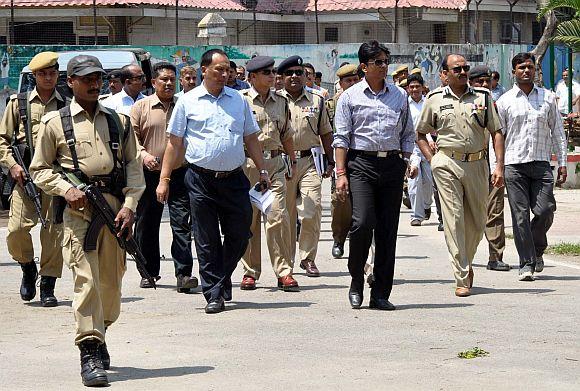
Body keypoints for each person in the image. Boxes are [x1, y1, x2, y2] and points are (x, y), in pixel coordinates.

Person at [30, 55, 145, 387]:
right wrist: (66, 190)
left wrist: (130, 205)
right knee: (87, 282)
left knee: (111, 284)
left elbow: (133, 168)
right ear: (72, 83)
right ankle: (89, 350)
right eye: (86, 79)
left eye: (98, 78)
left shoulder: (118, 122)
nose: (94, 84)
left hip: (114, 212)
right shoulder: (55, 123)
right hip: (79, 214)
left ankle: (102, 329)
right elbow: (40, 169)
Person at [156, 48, 269, 314]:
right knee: (206, 239)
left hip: (234, 179)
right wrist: (165, 179)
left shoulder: (238, 101)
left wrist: (263, 171)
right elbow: (174, 143)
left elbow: (251, 137)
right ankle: (214, 293)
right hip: (200, 179)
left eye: (227, 69)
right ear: (203, 70)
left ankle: (219, 276)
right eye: (218, 69)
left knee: (241, 233)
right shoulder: (188, 101)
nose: (224, 74)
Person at [334, 41, 415, 310]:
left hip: (391, 165)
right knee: (362, 222)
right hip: (361, 165)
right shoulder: (350, 97)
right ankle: (356, 278)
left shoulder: (399, 96)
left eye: (385, 61)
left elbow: (407, 133)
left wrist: (405, 161)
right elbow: (341, 138)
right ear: (364, 67)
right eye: (378, 62)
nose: (383, 66)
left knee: (387, 231)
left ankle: (380, 292)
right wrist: (341, 173)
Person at [416, 54, 505, 298]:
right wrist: (433, 160)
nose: (463, 72)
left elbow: (496, 131)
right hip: (446, 163)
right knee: (454, 219)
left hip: (477, 164)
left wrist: (499, 166)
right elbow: (420, 133)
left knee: (477, 221)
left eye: (465, 68)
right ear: (444, 74)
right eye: (457, 69)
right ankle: (462, 275)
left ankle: (467, 260)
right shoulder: (434, 99)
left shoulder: (483, 97)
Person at [0, 52, 65, 307]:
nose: (48, 78)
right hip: (24, 177)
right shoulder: (19, 103)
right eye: (42, 74)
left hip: (56, 177)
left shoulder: (66, 105)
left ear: (58, 75)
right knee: (16, 231)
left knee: (53, 234)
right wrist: (13, 166)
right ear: (34, 76)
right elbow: (2, 140)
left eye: (52, 73)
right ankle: (27, 266)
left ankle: (48, 285)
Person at [496, 52, 568, 281]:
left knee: (545, 210)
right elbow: (498, 137)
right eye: (521, 68)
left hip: (541, 165)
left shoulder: (548, 98)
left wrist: (563, 162)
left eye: (530, 67)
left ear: (536, 70)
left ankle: (537, 249)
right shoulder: (505, 101)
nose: (526, 71)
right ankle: (526, 263)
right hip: (514, 166)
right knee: (519, 217)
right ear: (514, 72)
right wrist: (496, 167)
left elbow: (557, 131)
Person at [130, 62, 197, 292]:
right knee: (147, 224)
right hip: (149, 175)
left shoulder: (185, 105)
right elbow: (132, 141)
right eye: (164, 80)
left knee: (181, 223)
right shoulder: (141, 107)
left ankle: (184, 274)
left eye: (172, 79)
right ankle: (148, 272)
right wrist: (144, 155)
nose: (169, 83)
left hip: (180, 173)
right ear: (153, 82)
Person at [238, 56, 298, 291]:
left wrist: (292, 161)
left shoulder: (281, 102)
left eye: (273, 72)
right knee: (249, 220)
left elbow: (286, 135)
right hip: (248, 166)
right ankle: (250, 272)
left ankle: (284, 272)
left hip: (274, 166)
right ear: (252, 77)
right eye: (266, 73)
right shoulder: (241, 101)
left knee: (277, 218)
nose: (273, 76)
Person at [278, 55, 334, 277]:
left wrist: (331, 161)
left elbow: (326, 133)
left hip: (309, 161)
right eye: (289, 73)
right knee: (285, 214)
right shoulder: (274, 100)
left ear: (305, 76)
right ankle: (286, 262)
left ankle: (308, 258)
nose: (294, 77)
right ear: (282, 77)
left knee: (311, 210)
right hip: (281, 164)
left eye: (298, 73)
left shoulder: (317, 100)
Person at [468, 65, 511, 272]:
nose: (485, 85)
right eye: (480, 82)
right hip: (469, 167)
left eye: (488, 81)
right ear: (471, 83)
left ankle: (496, 255)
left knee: (495, 211)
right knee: (469, 214)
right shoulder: (463, 105)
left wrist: (500, 166)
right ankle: (465, 255)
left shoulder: (497, 104)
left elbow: (499, 135)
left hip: (492, 165)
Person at [326, 63, 360, 258]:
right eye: (349, 81)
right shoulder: (333, 104)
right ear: (341, 83)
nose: (353, 83)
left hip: (362, 157)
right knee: (340, 202)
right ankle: (339, 238)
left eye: (356, 79)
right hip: (342, 159)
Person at [406, 73, 434, 227]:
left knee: (429, 182)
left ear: (422, 88)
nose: (415, 89)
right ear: (408, 88)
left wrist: (430, 140)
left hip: (427, 147)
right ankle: (416, 215)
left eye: (417, 86)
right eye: (412, 87)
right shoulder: (404, 104)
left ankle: (426, 205)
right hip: (411, 148)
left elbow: (430, 126)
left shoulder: (428, 103)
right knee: (414, 181)